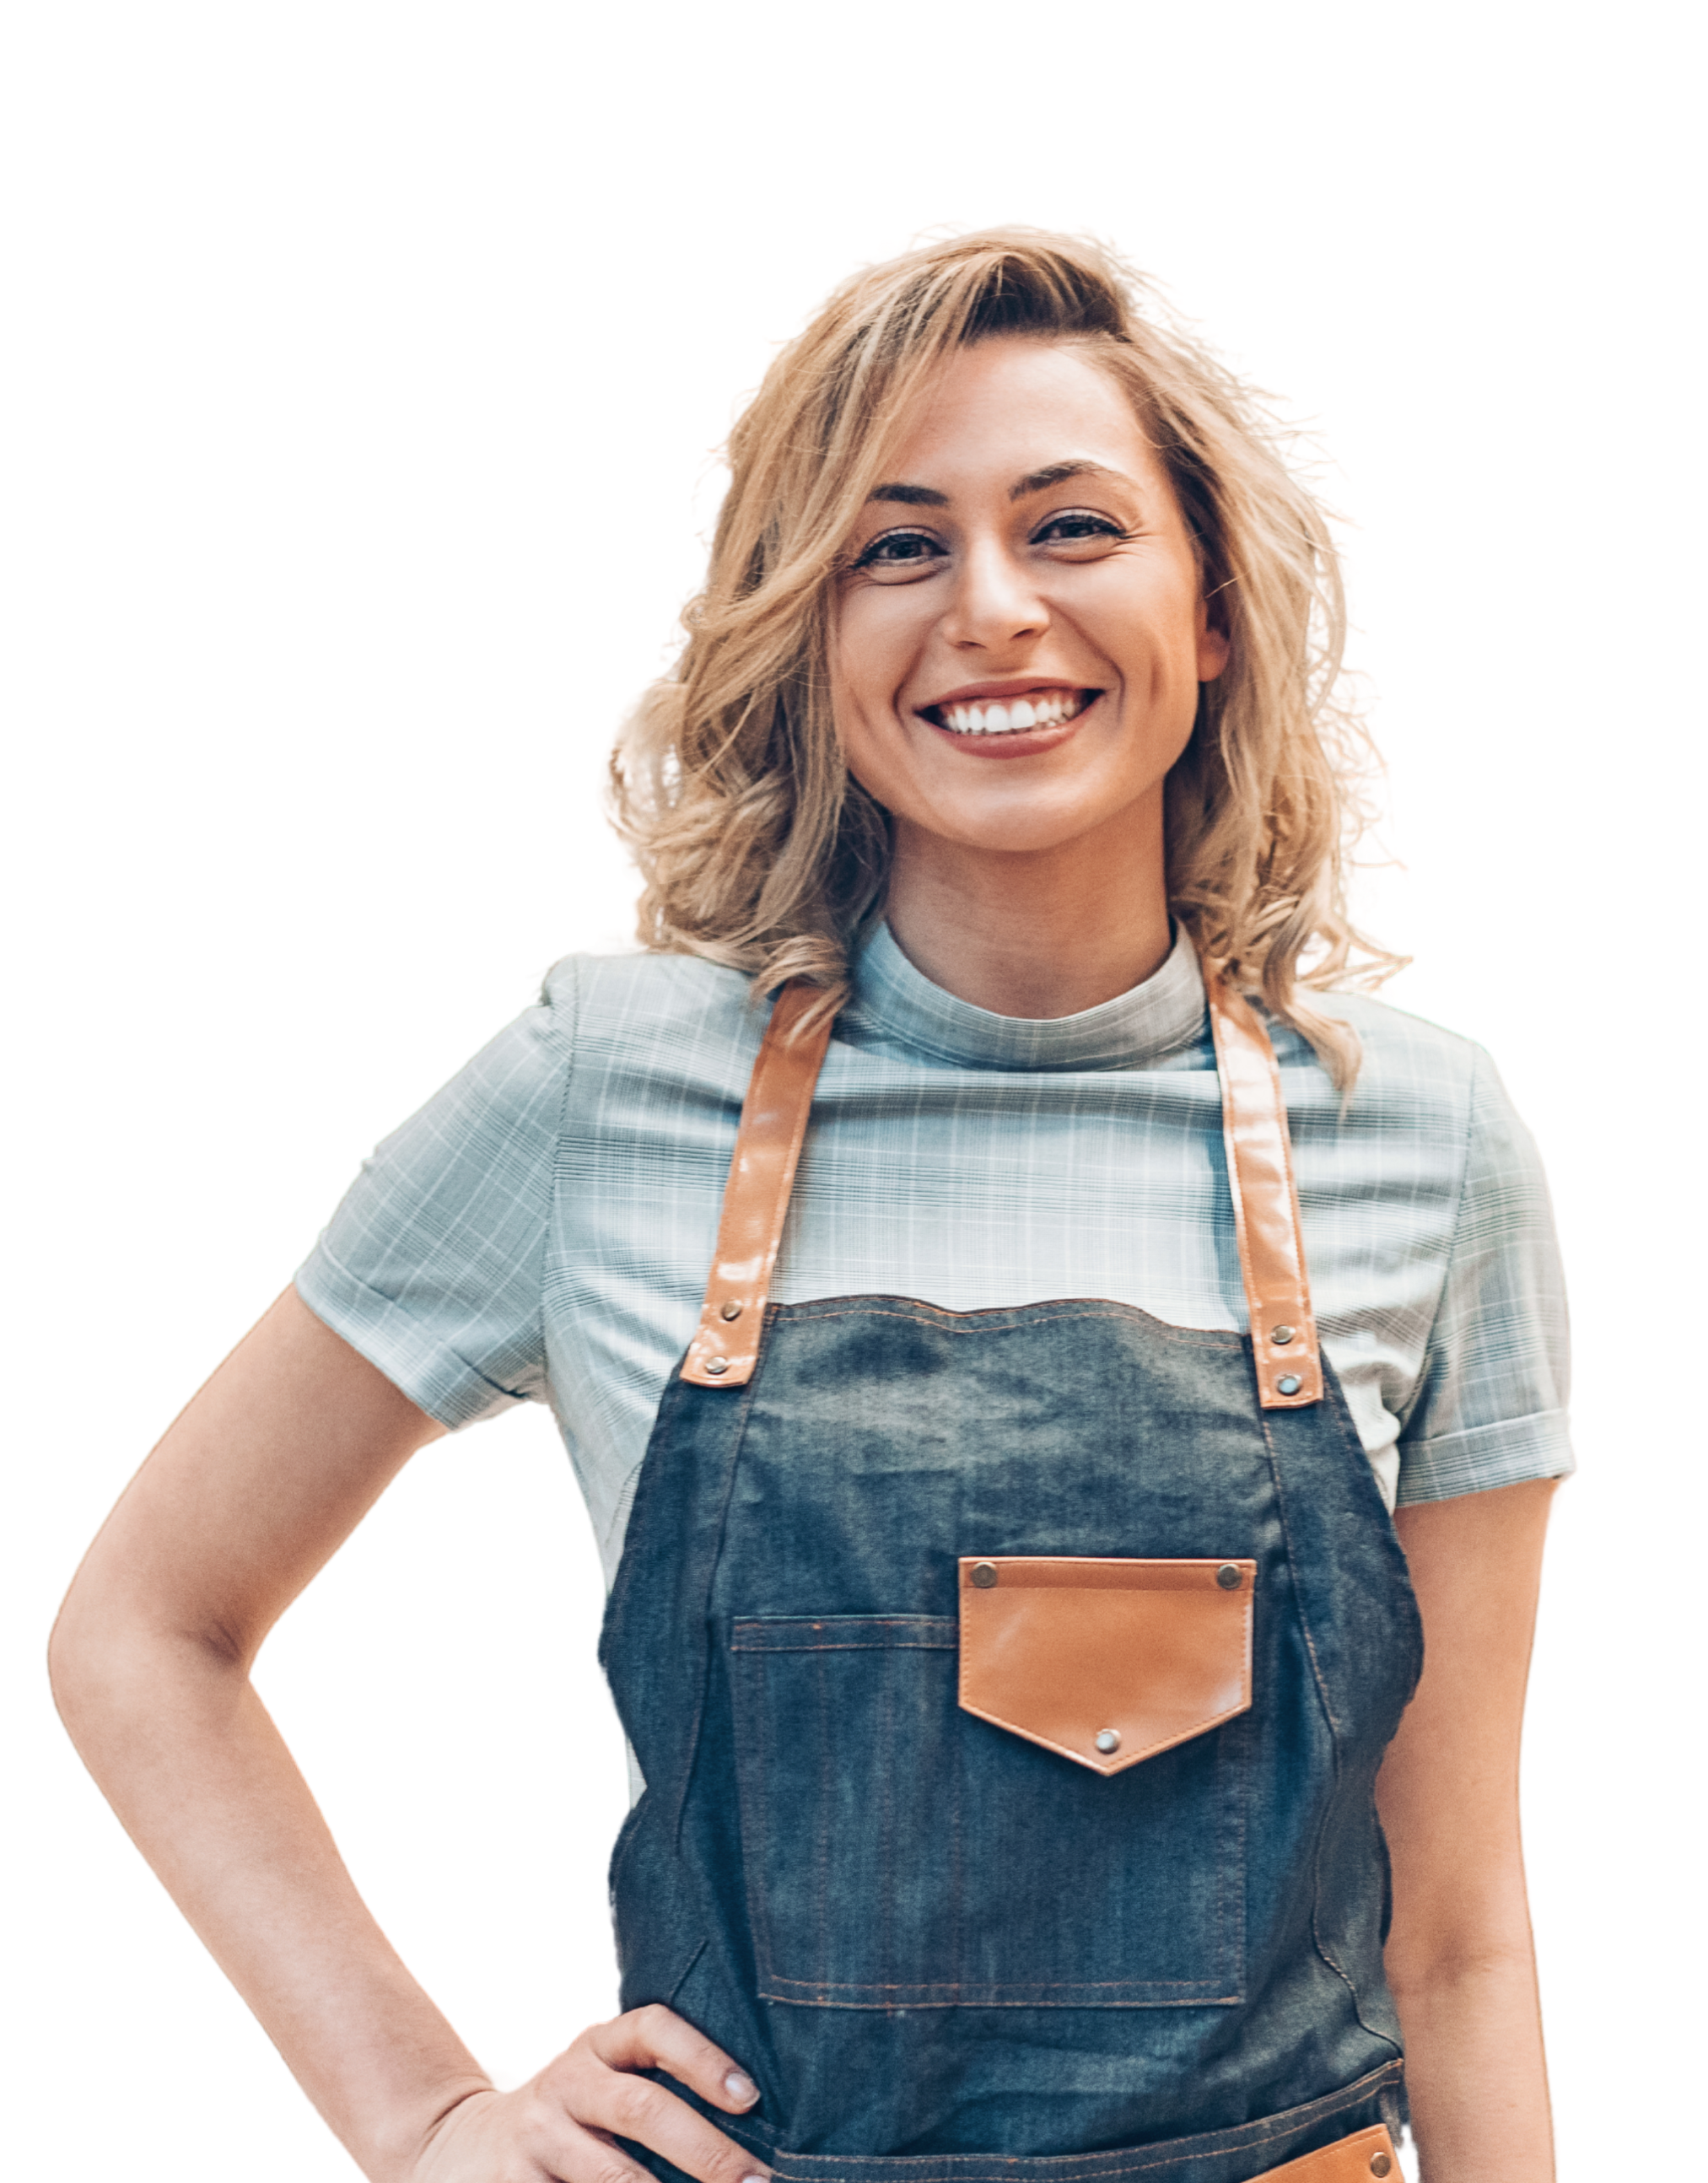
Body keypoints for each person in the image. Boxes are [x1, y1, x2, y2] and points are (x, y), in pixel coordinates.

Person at [46, 218, 1574, 2183]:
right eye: (898, 545)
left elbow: (1450, 1937)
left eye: (1075, 527)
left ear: (1213, 611)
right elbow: (142, 1626)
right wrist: (420, 2103)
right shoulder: (605, 1080)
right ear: (810, 629)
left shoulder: (1424, 1137)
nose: (993, 609)